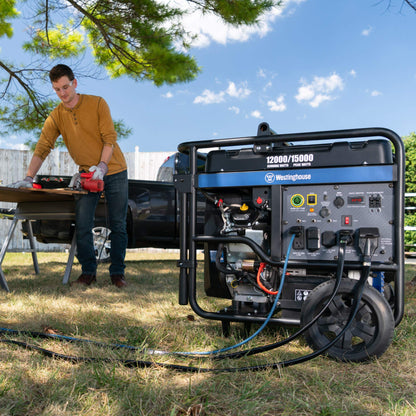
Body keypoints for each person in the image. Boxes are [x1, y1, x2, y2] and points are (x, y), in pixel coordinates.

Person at [9, 64, 128, 288]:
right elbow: (43, 146)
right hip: (86, 176)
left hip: (114, 170)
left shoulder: (98, 103)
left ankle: (117, 274)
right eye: (57, 89)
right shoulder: (56, 116)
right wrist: (28, 176)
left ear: (74, 83)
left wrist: (102, 166)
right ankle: (88, 272)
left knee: (118, 224)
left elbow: (109, 138)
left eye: (65, 87)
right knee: (83, 224)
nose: (62, 93)